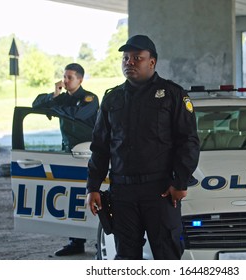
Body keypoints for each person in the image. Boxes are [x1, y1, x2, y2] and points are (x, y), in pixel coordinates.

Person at [86, 35, 200, 260]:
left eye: (137, 58)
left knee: (166, 255)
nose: (129, 62)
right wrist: (93, 187)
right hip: (122, 193)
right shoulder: (112, 99)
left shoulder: (172, 95)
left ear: (152, 62)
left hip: (160, 192)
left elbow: (188, 141)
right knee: (127, 258)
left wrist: (180, 181)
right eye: (126, 58)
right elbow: (100, 147)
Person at [32, 63, 99, 256]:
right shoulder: (60, 99)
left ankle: (98, 240)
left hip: (89, 155)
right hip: (68, 155)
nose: (65, 81)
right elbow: (36, 105)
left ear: (80, 80)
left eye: (70, 77)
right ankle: (75, 242)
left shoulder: (90, 98)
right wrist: (53, 96)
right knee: (71, 198)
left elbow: (77, 116)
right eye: (64, 77)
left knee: (92, 197)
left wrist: (55, 108)